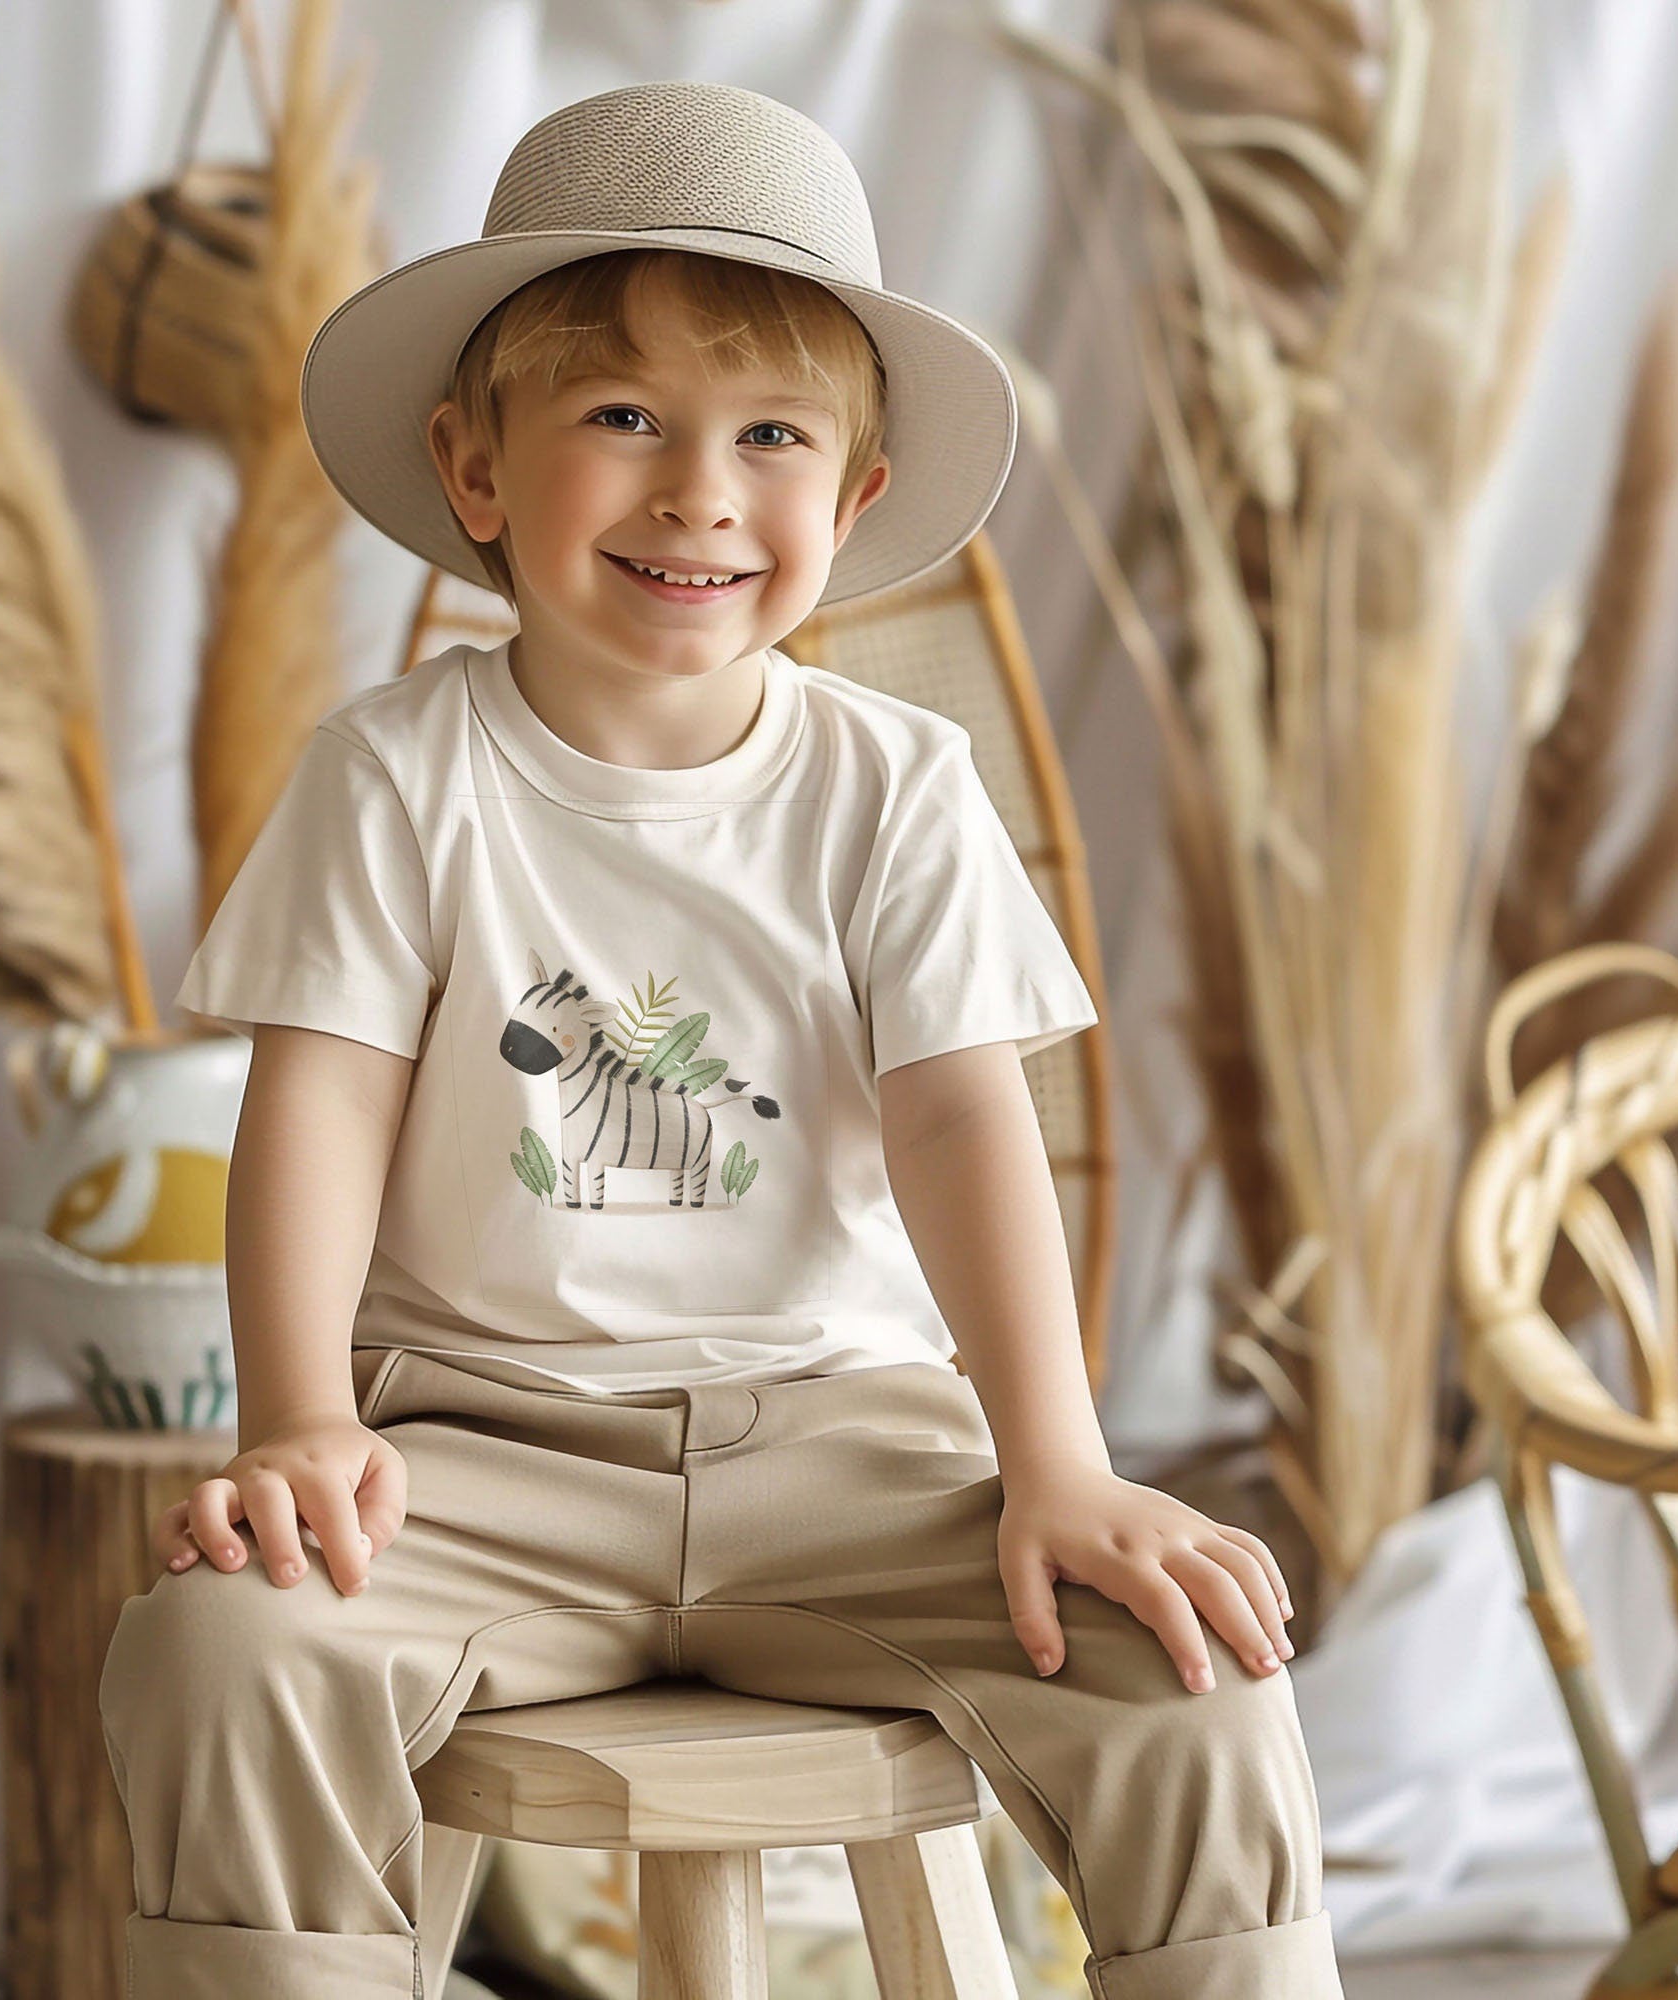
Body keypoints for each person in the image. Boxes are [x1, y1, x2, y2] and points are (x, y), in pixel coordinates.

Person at [98, 79, 1344, 2000]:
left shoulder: (898, 785)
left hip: (853, 1456)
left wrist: (1060, 1464)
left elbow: (961, 1126)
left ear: (847, 502)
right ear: (476, 467)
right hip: (474, 1454)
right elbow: (317, 1114)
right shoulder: (394, 774)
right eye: (623, 418)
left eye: (771, 435)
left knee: (1192, 1673)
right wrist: (299, 1421)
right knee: (214, 1649)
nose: (699, 489)